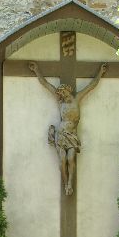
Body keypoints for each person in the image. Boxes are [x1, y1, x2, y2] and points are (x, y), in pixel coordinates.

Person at [29, 60, 108, 196]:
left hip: (72, 135)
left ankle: (70, 182)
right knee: (62, 162)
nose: (61, 94)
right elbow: (46, 85)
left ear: (67, 90)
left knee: (71, 159)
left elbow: (92, 85)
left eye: (63, 92)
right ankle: (66, 185)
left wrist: (100, 72)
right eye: (60, 93)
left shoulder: (77, 98)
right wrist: (37, 71)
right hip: (61, 134)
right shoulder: (60, 103)